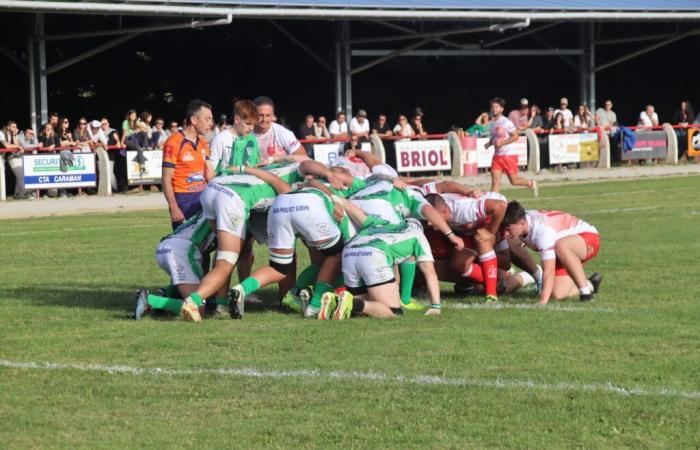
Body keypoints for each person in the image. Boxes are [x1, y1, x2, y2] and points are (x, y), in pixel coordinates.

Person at [229, 161, 366, 319]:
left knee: (280, 268)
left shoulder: (311, 179)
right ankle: (314, 306)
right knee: (337, 255)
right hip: (311, 206)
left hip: (282, 202)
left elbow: (304, 171)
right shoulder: (349, 184)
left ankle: (242, 289)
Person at [182, 162, 301, 321]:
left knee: (223, 254)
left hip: (212, 189)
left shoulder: (268, 172)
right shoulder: (287, 187)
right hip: (232, 199)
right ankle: (194, 300)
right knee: (226, 262)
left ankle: (221, 303)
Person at [326, 206, 443, 319]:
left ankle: (336, 301)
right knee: (393, 311)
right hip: (373, 254)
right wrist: (436, 306)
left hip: (349, 252)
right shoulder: (418, 234)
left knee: (363, 310)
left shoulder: (384, 222)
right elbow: (430, 273)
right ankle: (349, 302)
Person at [501, 201, 602, 304]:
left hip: (588, 238)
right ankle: (590, 284)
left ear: (522, 223)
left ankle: (585, 294)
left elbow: (549, 270)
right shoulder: (520, 221)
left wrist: (542, 301)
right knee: (557, 294)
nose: (506, 233)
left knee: (562, 246)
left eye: (509, 229)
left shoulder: (542, 232)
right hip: (561, 251)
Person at [133, 212, 217, 320]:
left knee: (195, 288)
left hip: (165, 246)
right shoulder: (225, 209)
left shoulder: (211, 205)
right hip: (182, 250)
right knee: (197, 309)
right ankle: (150, 300)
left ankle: (165, 294)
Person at [162, 99, 215, 229]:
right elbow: (165, 178)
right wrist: (173, 207)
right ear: (194, 120)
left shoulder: (203, 142)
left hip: (203, 196)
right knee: (187, 245)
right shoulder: (174, 142)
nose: (211, 123)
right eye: (207, 119)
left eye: (211, 119)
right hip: (183, 199)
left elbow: (209, 174)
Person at [485, 97, 537, 196]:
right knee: (495, 183)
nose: (494, 109)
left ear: (501, 109)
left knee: (514, 181)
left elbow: (515, 136)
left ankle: (530, 183)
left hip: (509, 156)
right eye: (493, 107)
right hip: (497, 157)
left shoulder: (506, 122)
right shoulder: (492, 124)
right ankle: (493, 206)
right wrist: (489, 143)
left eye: (497, 107)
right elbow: (495, 138)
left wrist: (502, 143)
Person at [209, 100, 260, 174]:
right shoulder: (220, 139)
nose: (251, 128)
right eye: (248, 123)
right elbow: (211, 170)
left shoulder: (252, 139)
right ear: (236, 119)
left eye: (253, 124)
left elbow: (256, 165)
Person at [253, 96, 305, 162]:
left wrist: (276, 159)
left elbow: (303, 157)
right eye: (260, 115)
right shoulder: (244, 132)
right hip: (253, 171)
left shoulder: (283, 133)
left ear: (272, 114)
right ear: (253, 114)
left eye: (268, 115)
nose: (264, 119)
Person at [1, 121, 30, 200]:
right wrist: (18, 146)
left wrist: (14, 135)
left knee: (20, 174)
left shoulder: (12, 134)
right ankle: (25, 193)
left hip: (5, 156)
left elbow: (17, 144)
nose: (15, 128)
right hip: (1, 156)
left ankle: (19, 194)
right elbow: (7, 146)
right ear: (8, 127)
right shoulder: (1, 133)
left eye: (15, 127)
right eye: (13, 127)